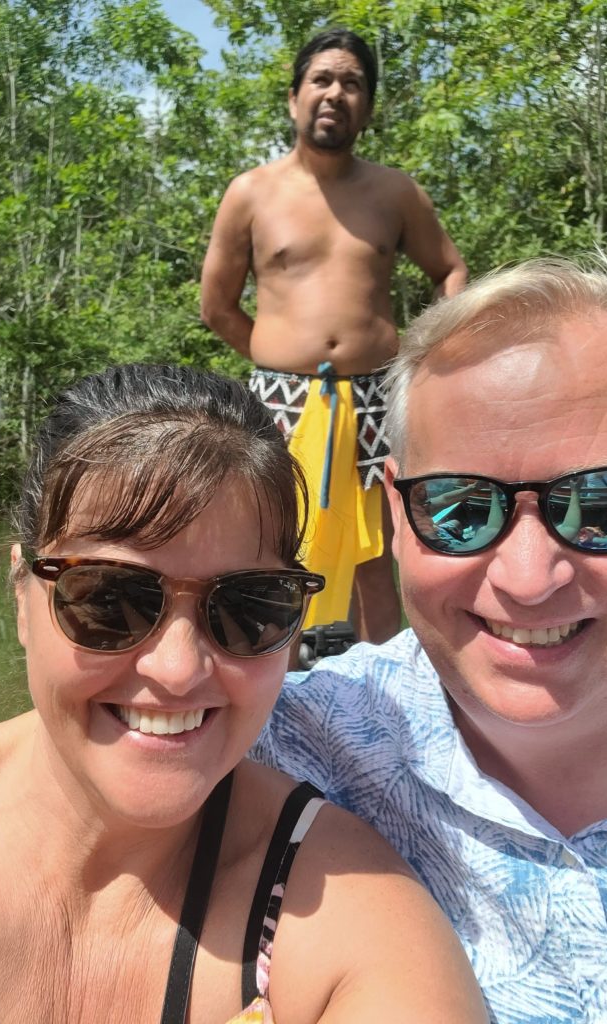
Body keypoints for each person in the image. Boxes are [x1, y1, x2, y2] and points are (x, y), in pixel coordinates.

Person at [0, 364, 487, 1024]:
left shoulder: (348, 911)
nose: (178, 670)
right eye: (111, 599)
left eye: (248, 606)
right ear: (21, 596)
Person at [253, 254, 607, 1022]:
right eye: (459, 510)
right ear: (395, 515)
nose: (530, 579)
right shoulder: (277, 747)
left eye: (602, 506)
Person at [200, 28, 467, 644]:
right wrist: (279, 358)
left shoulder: (395, 192)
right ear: (294, 98)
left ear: (367, 107)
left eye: (352, 83)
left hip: (377, 395)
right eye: (321, 80)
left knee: (379, 551)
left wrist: (431, 357)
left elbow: (449, 270)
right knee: (272, 541)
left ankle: (388, 687)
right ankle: (274, 690)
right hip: (281, 400)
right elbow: (217, 307)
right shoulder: (251, 193)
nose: (335, 93)